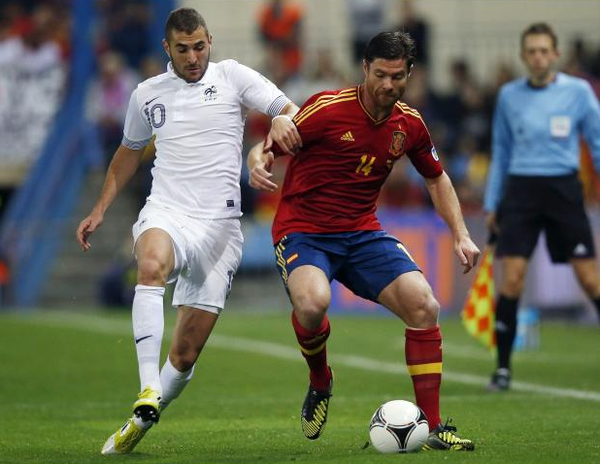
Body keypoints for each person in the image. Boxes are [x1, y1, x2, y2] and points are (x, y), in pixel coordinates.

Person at [76, 7, 300, 455]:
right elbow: (128, 153)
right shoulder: (146, 95)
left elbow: (287, 109)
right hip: (168, 211)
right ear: (167, 49)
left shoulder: (233, 76)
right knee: (151, 262)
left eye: (200, 46)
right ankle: (146, 391)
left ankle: (138, 424)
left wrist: (277, 125)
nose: (194, 57)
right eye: (183, 49)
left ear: (209, 41)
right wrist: (100, 207)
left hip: (220, 230)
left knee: (183, 356)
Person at [248, 31, 479, 451]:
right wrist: (258, 161)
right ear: (364, 70)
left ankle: (433, 426)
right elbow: (268, 147)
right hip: (304, 230)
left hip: (361, 233)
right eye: (380, 74)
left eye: (397, 76)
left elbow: (436, 177)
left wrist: (461, 235)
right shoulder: (326, 108)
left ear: (409, 73)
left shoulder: (409, 123)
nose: (388, 85)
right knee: (313, 304)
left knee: (424, 305)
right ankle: (320, 378)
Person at [484, 22, 600, 391]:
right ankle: (502, 370)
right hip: (521, 191)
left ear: (555, 54)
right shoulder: (508, 96)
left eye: (543, 50)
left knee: (589, 278)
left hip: (564, 189)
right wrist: (492, 200)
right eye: (530, 51)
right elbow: (500, 152)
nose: (537, 57)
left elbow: (597, 144)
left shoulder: (579, 92)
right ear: (523, 56)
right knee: (513, 279)